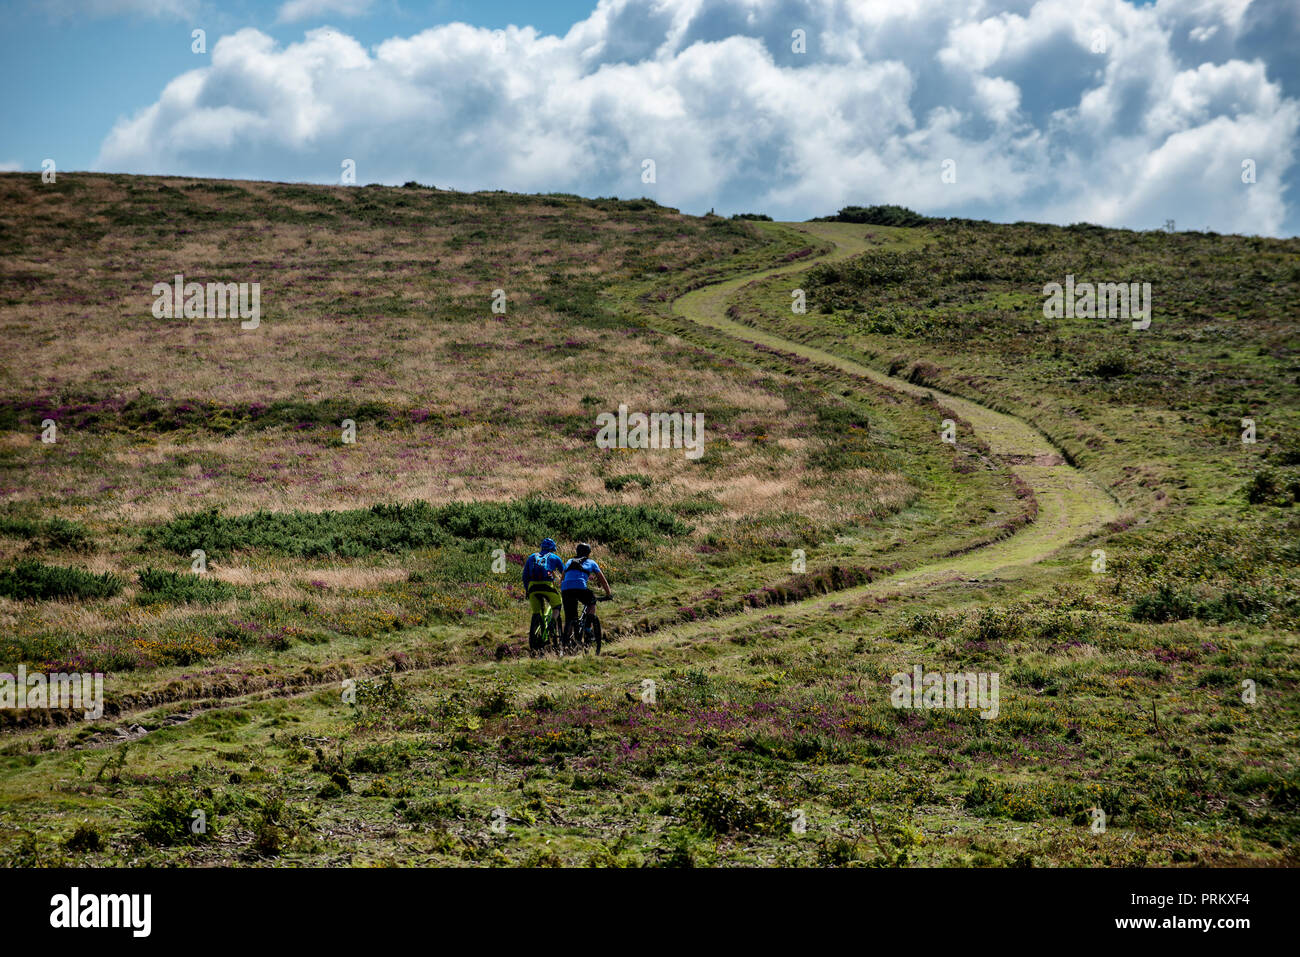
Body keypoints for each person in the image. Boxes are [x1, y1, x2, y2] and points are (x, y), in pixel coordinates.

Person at [560, 542, 611, 641]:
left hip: (566, 589)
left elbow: (562, 578)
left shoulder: (569, 561)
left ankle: (566, 642)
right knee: (592, 602)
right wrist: (608, 594)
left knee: (570, 617)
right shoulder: (591, 562)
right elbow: (603, 581)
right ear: (588, 553)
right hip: (580, 587)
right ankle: (588, 628)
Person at [522, 538, 564, 648]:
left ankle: (538, 631)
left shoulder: (532, 557)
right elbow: (564, 572)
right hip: (547, 585)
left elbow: (524, 576)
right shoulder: (554, 557)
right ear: (553, 548)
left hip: (532, 587)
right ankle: (553, 622)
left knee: (536, 612)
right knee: (557, 605)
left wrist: (527, 590)